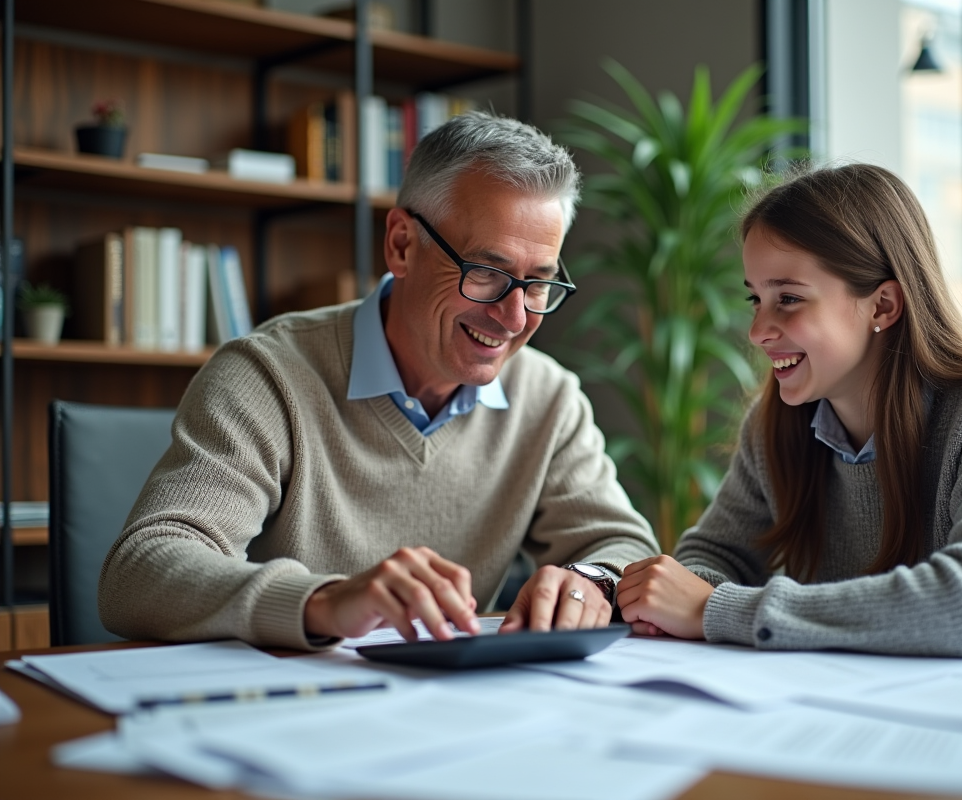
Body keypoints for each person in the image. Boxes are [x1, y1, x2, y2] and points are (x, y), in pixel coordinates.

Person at [99, 111, 658, 650]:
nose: (514, 319)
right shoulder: (268, 375)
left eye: (536, 284)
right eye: (486, 273)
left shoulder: (548, 397)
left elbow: (624, 547)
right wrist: (324, 601)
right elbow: (139, 573)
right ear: (401, 246)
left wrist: (591, 579)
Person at [616, 163, 962, 657]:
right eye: (756, 299)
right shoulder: (776, 426)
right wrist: (689, 595)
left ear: (883, 306)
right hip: (878, 704)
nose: (757, 330)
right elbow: (713, 557)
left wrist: (714, 610)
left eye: (788, 298)